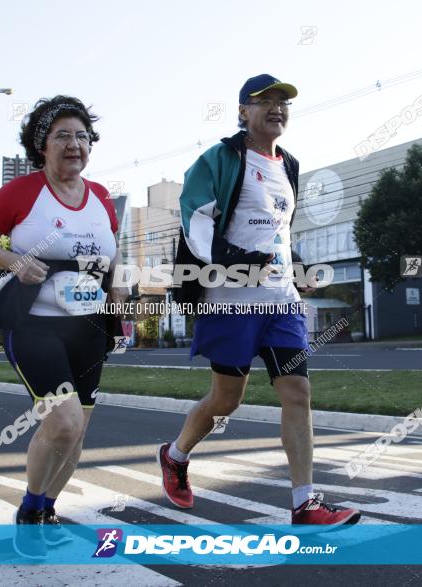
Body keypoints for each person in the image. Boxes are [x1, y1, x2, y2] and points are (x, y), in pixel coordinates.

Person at [158, 75, 361, 527]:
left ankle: (304, 503)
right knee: (225, 401)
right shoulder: (220, 158)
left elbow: (278, 232)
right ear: (242, 112)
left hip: (280, 302)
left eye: (282, 102)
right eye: (264, 101)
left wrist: (298, 266)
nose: (276, 108)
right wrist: (231, 259)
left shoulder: (288, 164)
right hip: (230, 300)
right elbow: (196, 220)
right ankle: (175, 456)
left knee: (298, 392)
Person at [0, 95, 127, 558]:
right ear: (41, 146)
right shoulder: (21, 192)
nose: (75, 144)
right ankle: (29, 511)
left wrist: (119, 294)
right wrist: (14, 260)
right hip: (34, 325)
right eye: (63, 136)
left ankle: (46, 510)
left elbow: (114, 258)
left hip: (90, 328)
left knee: (78, 431)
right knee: (62, 422)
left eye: (82, 136)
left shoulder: (100, 198)